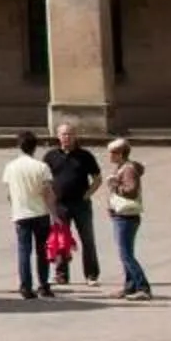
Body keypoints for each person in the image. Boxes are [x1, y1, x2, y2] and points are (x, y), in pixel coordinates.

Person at [46, 121, 104, 289]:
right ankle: (61, 274)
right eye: (63, 134)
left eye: (70, 134)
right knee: (61, 240)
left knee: (88, 239)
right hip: (60, 205)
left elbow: (97, 178)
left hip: (81, 204)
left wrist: (88, 194)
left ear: (75, 136)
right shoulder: (51, 156)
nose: (67, 137)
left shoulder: (85, 156)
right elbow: (44, 178)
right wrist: (50, 197)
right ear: (58, 136)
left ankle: (91, 275)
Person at [4, 130, 56, 301]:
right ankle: (44, 285)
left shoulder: (11, 167)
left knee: (24, 251)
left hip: (21, 214)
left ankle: (26, 286)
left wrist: (16, 207)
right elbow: (47, 192)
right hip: (40, 213)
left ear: (19, 146)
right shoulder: (41, 167)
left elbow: (10, 193)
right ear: (35, 147)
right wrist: (54, 214)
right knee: (42, 252)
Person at [105, 138, 151, 301]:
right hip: (123, 216)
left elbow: (131, 190)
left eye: (112, 152)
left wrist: (115, 186)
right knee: (125, 253)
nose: (109, 155)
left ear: (120, 154)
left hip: (126, 217)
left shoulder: (128, 169)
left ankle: (142, 287)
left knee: (126, 254)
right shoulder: (123, 167)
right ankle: (130, 286)